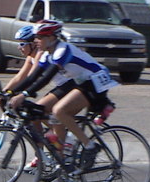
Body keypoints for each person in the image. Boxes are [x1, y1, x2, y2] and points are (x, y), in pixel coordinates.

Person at [10, 20, 118, 170]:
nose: (36, 41)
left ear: (52, 38)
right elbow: (33, 77)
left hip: (95, 79)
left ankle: (90, 146)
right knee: (43, 111)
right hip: (78, 82)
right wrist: (10, 93)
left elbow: (47, 77)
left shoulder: (63, 50)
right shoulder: (46, 54)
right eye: (35, 37)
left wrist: (24, 94)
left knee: (59, 111)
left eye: (40, 37)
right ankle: (62, 161)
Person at [3, 26, 43, 92]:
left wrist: (10, 93)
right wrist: (3, 92)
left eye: (22, 44)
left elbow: (30, 78)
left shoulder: (41, 55)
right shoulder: (30, 57)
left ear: (33, 44)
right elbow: (18, 78)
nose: (19, 47)